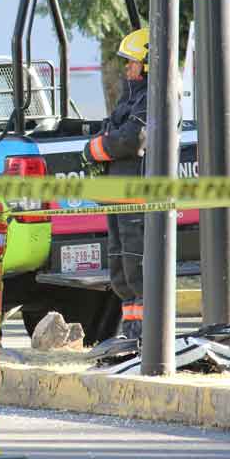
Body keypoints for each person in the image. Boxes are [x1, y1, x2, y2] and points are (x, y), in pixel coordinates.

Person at [82, 28, 150, 340]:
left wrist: (95, 149)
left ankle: (146, 333)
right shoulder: (131, 97)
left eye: (131, 62)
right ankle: (132, 331)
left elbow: (131, 139)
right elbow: (113, 130)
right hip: (118, 195)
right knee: (121, 264)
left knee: (137, 264)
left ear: (147, 64)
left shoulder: (153, 98)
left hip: (137, 194)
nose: (127, 68)